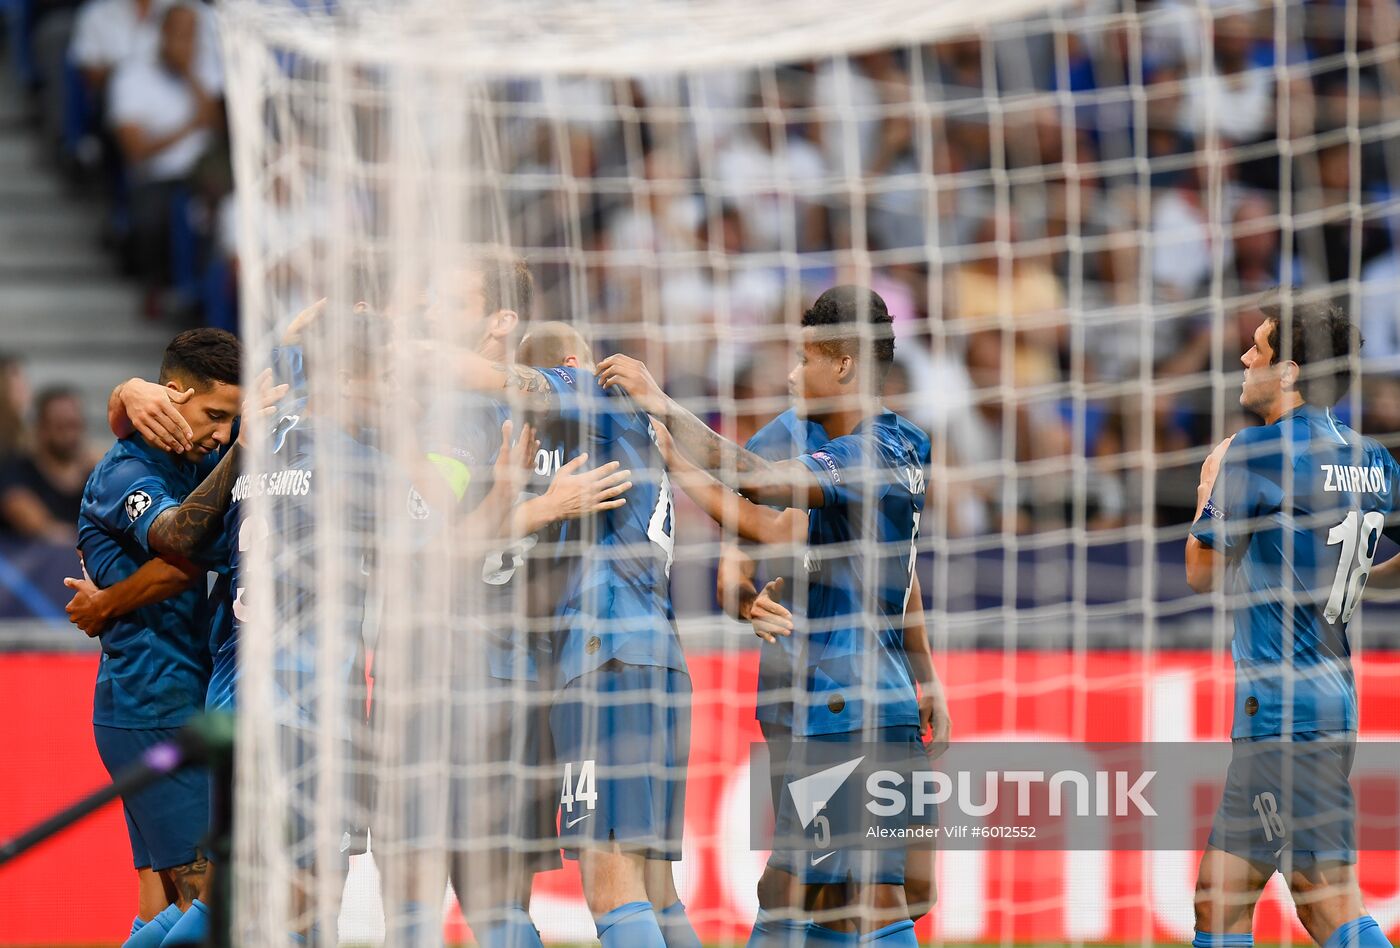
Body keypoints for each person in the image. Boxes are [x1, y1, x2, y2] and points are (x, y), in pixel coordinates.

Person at [596, 285, 930, 943]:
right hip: (834, 694)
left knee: (872, 892)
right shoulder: (907, 442)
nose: (789, 373)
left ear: (844, 365)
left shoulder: (864, 451)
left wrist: (666, 414)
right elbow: (743, 562)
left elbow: (757, 486)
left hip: (844, 697)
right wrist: (748, 597)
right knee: (817, 888)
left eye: (804, 358)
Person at [448, 317, 698, 948]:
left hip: (600, 662)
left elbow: (517, 382)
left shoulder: (589, 395)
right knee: (656, 891)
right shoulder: (630, 433)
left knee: (610, 886)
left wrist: (423, 350)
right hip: (658, 662)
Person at [1186, 294, 1399, 948]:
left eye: (1259, 347)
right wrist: (1360, 579)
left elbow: (1202, 575)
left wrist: (1208, 484)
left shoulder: (1255, 453)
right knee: (1221, 898)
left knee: (1323, 901)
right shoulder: (1372, 458)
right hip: (1331, 698)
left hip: (1281, 705)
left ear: (1290, 372)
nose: (1246, 358)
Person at [75, 328, 241, 941]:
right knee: (210, 897)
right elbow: (178, 549)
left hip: (180, 697)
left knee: (165, 903)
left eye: (234, 421)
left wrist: (128, 391)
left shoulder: (194, 461)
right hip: (151, 703)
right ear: (173, 396)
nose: (222, 433)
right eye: (215, 416)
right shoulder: (125, 472)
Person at [107, 3, 220, 314]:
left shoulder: (208, 71)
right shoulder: (133, 75)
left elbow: (216, 123)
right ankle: (164, 286)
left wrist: (188, 74)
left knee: (218, 215)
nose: (186, 43)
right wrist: (188, 127)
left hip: (206, 176)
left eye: (192, 35)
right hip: (156, 177)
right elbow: (135, 149)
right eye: (179, 34)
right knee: (166, 210)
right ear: (162, 34)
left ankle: (195, 294)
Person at [0, 387, 94, 543]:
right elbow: (33, 523)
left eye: (74, 425)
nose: (70, 435)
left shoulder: (96, 474)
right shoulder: (17, 470)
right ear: (41, 429)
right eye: (61, 427)